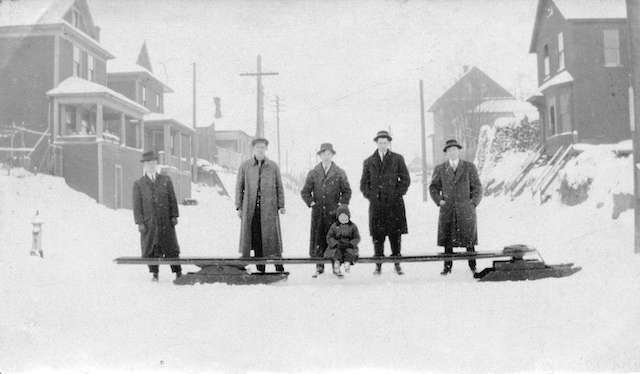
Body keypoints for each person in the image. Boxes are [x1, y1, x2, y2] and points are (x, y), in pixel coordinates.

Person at [360, 130, 411, 275]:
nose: (382, 145)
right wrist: (372, 196)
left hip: (394, 205)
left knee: (395, 235)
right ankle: (378, 265)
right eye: (380, 142)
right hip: (377, 206)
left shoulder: (397, 159)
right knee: (378, 236)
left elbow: (405, 180)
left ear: (389, 143)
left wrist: (397, 194)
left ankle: (397, 263)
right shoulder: (369, 162)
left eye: (385, 142)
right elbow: (364, 184)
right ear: (376, 143)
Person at [429, 139, 483, 276]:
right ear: (446, 153)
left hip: (466, 209)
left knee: (469, 240)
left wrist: (473, 203)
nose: (452, 152)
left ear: (459, 151)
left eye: (455, 150)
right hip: (447, 209)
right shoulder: (440, 169)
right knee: (448, 239)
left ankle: (473, 266)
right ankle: (447, 267)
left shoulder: (469, 167)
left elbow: (477, 187)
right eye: (449, 150)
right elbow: (433, 187)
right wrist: (439, 200)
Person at [300, 142, 352, 277]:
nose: (326, 156)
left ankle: (336, 266)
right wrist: (311, 203)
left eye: (329, 154)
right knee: (318, 240)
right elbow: (305, 191)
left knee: (335, 240)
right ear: (320, 155)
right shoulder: (313, 173)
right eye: (324, 154)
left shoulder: (339, 172)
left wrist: (341, 205)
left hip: (334, 214)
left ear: (332, 155)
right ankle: (319, 265)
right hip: (318, 214)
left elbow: (347, 191)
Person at [235, 137, 286, 273]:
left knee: (272, 238)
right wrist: (238, 206)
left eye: (263, 147)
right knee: (256, 237)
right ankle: (260, 268)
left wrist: (281, 205)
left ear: (266, 149)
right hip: (251, 209)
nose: (260, 150)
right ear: (253, 149)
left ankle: (278, 266)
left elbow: (279, 186)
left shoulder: (273, 166)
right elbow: (239, 187)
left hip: (269, 208)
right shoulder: (245, 166)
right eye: (258, 147)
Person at [132, 150, 182, 281]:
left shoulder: (165, 180)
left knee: (171, 248)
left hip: (165, 221)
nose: (151, 165)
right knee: (152, 248)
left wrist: (174, 215)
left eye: (153, 162)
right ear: (144, 165)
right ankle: (155, 273)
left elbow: (172, 199)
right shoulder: (139, 184)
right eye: (148, 162)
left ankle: (178, 272)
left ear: (156, 164)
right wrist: (140, 222)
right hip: (150, 223)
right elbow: (137, 206)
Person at [325, 205, 360, 277]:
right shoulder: (334, 226)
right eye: (341, 217)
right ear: (338, 218)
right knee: (336, 252)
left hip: (348, 244)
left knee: (349, 252)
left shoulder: (352, 226)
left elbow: (356, 237)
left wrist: (351, 243)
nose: (343, 219)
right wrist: (335, 243)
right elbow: (329, 237)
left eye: (345, 217)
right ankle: (337, 263)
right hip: (338, 244)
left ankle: (347, 262)